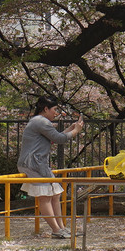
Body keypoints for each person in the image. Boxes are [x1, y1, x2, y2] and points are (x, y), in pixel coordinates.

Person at [17, 96, 84, 238]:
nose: (56, 113)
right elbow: (59, 139)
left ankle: (61, 228)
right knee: (45, 197)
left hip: (39, 164)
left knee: (55, 194)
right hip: (33, 164)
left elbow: (55, 137)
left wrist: (71, 128)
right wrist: (76, 131)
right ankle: (56, 230)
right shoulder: (40, 121)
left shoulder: (39, 122)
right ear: (46, 109)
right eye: (54, 110)